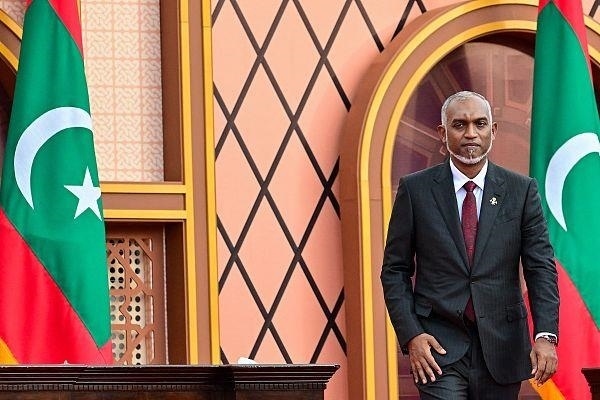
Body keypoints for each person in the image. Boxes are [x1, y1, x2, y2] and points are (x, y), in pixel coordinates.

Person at [380, 91, 559, 399]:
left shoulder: (521, 190)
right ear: (442, 132)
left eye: (480, 123)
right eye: (459, 125)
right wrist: (412, 335)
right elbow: (394, 270)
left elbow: (540, 267)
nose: (471, 133)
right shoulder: (415, 189)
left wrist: (546, 335)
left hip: (503, 347)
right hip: (437, 349)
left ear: (493, 130)